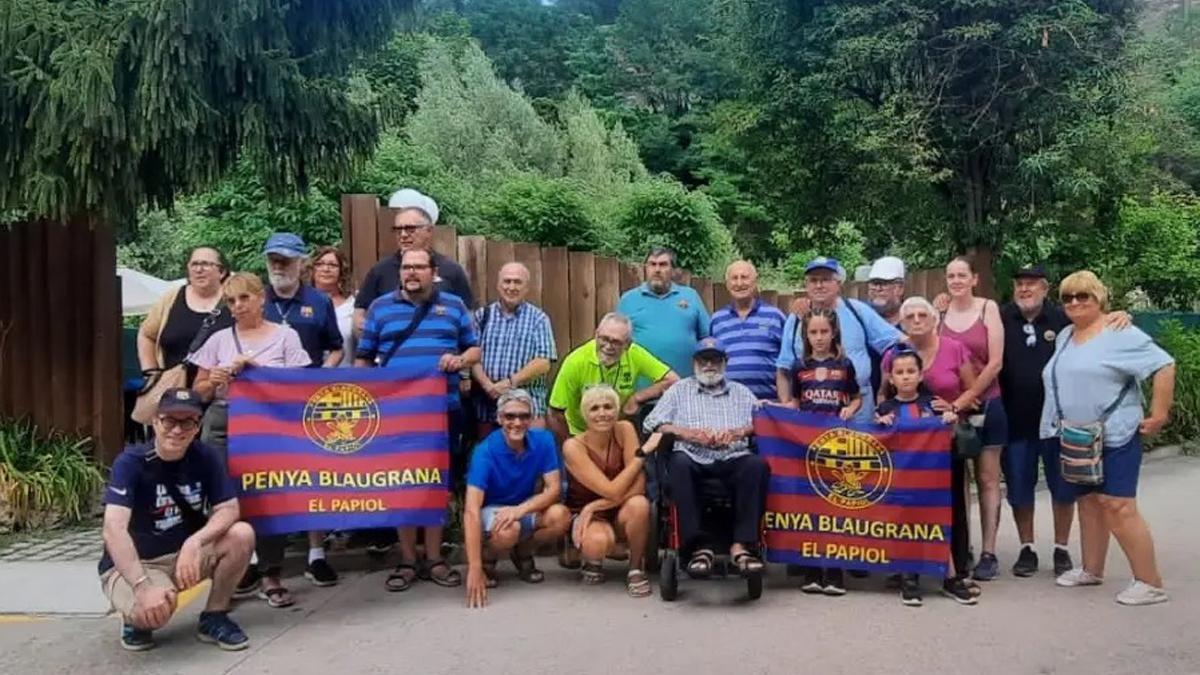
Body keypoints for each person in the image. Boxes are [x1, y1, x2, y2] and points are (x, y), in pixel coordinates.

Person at [1040, 271, 1175, 606]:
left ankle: (1150, 581)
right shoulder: (1067, 335)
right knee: (1089, 502)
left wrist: (1159, 414)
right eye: (1068, 297)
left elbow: (1164, 365)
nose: (1074, 303)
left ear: (1099, 299)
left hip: (1115, 434)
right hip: (1077, 436)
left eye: (1083, 296)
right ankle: (1092, 569)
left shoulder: (1120, 332)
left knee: (1118, 506)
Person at [355, 247, 480, 593]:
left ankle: (435, 557)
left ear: (433, 271)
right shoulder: (380, 308)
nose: (411, 273)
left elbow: (474, 349)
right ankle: (408, 558)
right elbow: (365, 359)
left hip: (443, 408)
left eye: (419, 267)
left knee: (435, 484)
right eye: (406, 267)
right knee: (402, 483)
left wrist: (458, 360)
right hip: (395, 413)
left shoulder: (454, 306)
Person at [99, 388, 255, 652]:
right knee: (156, 610)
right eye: (169, 420)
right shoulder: (131, 462)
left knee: (242, 534)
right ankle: (134, 618)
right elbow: (113, 529)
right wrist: (142, 585)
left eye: (187, 421)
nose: (177, 430)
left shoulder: (206, 456)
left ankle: (214, 615)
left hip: (185, 555)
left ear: (198, 426)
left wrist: (195, 542)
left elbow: (229, 508)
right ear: (155, 422)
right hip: (141, 563)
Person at [190, 272, 311, 607]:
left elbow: (301, 387)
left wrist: (257, 369)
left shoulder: (286, 336)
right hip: (223, 419)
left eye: (243, 298)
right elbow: (198, 390)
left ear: (261, 298)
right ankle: (232, 571)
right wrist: (212, 380)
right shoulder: (218, 340)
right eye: (230, 301)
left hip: (269, 423)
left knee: (270, 495)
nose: (237, 306)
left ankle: (271, 571)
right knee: (224, 498)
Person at [643, 337, 770, 578]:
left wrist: (738, 432)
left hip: (733, 456)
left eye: (715, 360)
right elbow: (652, 423)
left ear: (725, 362)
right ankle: (698, 547)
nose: (709, 365)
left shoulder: (741, 392)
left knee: (757, 466)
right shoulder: (679, 390)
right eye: (704, 360)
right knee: (678, 463)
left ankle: (742, 546)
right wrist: (685, 432)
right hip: (693, 456)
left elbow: (760, 423)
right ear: (695, 363)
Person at [881, 296, 980, 601]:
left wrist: (952, 410)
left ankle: (953, 572)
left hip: (936, 465)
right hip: (903, 473)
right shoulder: (890, 372)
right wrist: (879, 419)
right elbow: (881, 408)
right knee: (905, 519)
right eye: (909, 316)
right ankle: (906, 574)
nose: (916, 320)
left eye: (922, 314)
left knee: (944, 515)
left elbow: (972, 392)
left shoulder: (949, 357)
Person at [260, 233, 345, 587]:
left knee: (314, 477)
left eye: (285, 259)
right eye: (273, 259)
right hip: (262, 407)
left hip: (308, 407)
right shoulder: (253, 298)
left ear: (300, 263)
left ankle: (316, 554)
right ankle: (262, 560)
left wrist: (323, 378)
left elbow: (336, 348)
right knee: (265, 481)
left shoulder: (318, 302)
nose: (279, 265)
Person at [463, 390, 571, 609]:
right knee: (507, 529)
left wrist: (519, 510)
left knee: (560, 516)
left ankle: (523, 552)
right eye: (510, 416)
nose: (517, 422)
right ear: (499, 418)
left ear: (531, 418)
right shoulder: (485, 451)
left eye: (523, 416)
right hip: (491, 509)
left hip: (522, 505)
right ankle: (487, 558)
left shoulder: (544, 440)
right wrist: (473, 568)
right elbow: (471, 509)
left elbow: (553, 489)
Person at [940, 256, 1006, 581]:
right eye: (951, 275)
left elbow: (995, 362)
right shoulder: (939, 312)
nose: (956, 280)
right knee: (958, 479)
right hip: (951, 410)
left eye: (961, 275)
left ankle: (989, 551)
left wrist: (968, 397)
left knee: (988, 478)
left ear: (974, 279)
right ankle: (962, 545)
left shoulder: (987, 309)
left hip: (987, 403)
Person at [787, 308, 862, 596]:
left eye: (824, 332)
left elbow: (856, 397)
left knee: (835, 506)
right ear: (806, 336)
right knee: (810, 508)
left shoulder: (844, 365)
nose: (819, 338)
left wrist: (850, 409)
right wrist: (769, 410)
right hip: (807, 448)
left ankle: (835, 571)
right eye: (813, 333)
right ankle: (812, 569)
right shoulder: (798, 366)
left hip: (838, 446)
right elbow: (795, 403)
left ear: (834, 333)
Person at [776, 257, 901, 422]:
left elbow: (896, 343)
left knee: (860, 448)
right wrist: (787, 407)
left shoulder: (857, 310)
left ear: (838, 283)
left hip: (859, 409)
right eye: (813, 280)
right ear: (806, 285)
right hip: (811, 411)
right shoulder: (796, 319)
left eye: (826, 279)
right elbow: (783, 370)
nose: (819, 285)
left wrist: (883, 391)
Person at [563, 385, 656, 597]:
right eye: (594, 408)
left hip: (614, 507)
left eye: (608, 407)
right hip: (589, 514)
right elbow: (611, 490)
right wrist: (640, 457)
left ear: (617, 410)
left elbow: (639, 484)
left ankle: (635, 568)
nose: (602, 413)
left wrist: (595, 505)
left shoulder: (624, 429)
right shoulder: (573, 446)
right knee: (597, 543)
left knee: (640, 504)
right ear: (585, 414)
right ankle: (601, 552)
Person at [354, 188, 475, 334]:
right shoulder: (380, 270)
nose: (403, 235)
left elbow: (468, 318)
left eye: (410, 229)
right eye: (398, 230)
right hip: (392, 353)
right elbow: (359, 316)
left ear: (429, 231)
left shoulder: (451, 270)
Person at [548, 313, 679, 442]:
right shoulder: (575, 361)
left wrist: (637, 398)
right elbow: (555, 411)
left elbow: (674, 381)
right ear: (596, 334)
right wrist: (571, 445)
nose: (608, 346)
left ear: (628, 344)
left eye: (615, 342)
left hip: (617, 430)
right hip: (580, 433)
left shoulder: (635, 354)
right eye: (604, 339)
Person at [470, 262, 557, 437]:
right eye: (507, 281)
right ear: (498, 285)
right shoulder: (482, 316)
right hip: (487, 405)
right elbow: (472, 356)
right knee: (491, 457)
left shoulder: (538, 319)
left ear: (527, 288)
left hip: (528, 404)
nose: (511, 287)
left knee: (531, 457)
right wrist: (488, 386)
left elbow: (543, 362)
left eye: (517, 282)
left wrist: (510, 383)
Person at [137, 246, 233, 387]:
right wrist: (151, 373)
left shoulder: (235, 299)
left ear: (222, 271)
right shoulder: (171, 298)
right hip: (172, 393)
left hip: (220, 394)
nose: (199, 269)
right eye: (194, 264)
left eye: (206, 264)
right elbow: (146, 335)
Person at [617, 247, 710, 387]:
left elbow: (707, 339)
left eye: (663, 264)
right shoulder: (628, 300)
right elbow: (617, 341)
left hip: (685, 390)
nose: (657, 269)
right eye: (652, 264)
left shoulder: (690, 296)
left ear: (673, 270)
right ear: (646, 268)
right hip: (641, 392)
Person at [710, 260, 787, 401]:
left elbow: (789, 360)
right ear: (727, 284)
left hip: (768, 404)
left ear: (755, 282)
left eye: (744, 277)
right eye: (734, 278)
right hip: (728, 404)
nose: (739, 283)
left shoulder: (775, 316)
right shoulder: (716, 320)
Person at [311, 246, 357, 367]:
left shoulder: (353, 305)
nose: (326, 269)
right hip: (307, 379)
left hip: (345, 378)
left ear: (341, 270)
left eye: (333, 265)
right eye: (320, 264)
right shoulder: (301, 304)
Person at [866, 256, 906, 328]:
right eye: (874, 283)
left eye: (883, 283)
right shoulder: (860, 319)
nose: (878, 289)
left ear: (900, 288)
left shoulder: (913, 320)